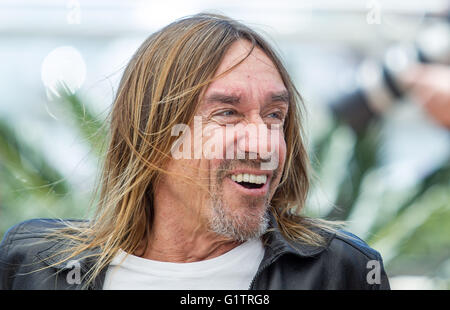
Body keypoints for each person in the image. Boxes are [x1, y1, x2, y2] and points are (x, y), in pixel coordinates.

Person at [0, 13, 390, 290]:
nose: (265, 143)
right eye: (227, 113)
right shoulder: (34, 265)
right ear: (153, 136)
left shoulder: (340, 272)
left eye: (275, 115)